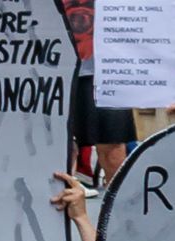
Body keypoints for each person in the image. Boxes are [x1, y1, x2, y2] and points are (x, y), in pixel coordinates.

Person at [61, 0, 135, 184]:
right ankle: (52, 208)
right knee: (55, 144)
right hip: (54, 61)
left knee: (113, 145)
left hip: (106, 68)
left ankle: (117, 209)